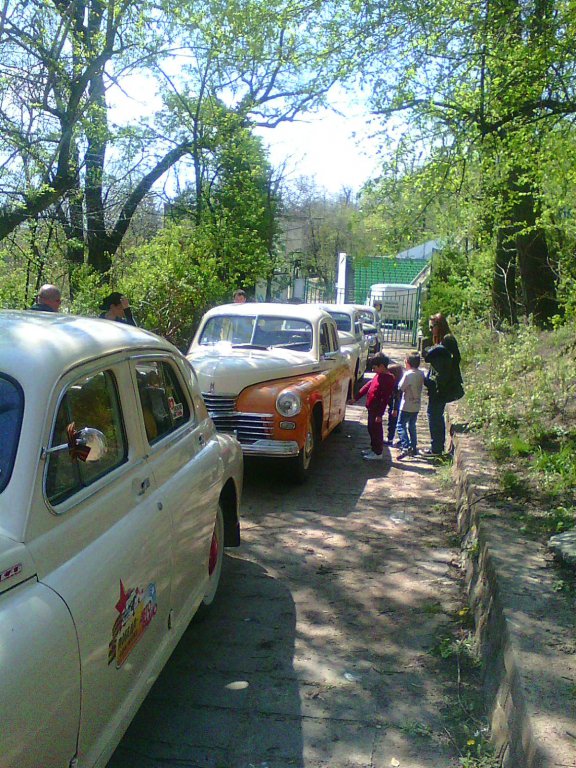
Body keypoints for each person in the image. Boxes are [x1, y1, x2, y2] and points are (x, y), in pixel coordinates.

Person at [423, 313, 464, 456]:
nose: (431, 330)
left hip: (442, 385)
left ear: (439, 325)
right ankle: (437, 446)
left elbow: (451, 362)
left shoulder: (447, 340)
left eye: (432, 327)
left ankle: (436, 448)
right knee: (434, 414)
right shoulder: (444, 340)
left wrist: (440, 381)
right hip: (440, 384)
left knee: (434, 414)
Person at [349, 353, 396, 461]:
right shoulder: (378, 375)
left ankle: (378, 452)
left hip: (376, 409)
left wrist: (380, 414)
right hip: (371, 408)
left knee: (376, 431)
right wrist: (356, 398)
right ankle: (373, 449)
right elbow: (368, 386)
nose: (373, 370)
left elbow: (384, 399)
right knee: (371, 429)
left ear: (382, 366)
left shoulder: (388, 379)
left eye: (374, 368)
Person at [396, 352, 426, 459]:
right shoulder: (421, 374)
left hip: (406, 405)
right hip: (416, 405)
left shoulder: (408, 374)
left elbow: (400, 387)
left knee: (400, 425)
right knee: (412, 426)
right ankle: (413, 447)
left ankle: (405, 446)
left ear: (408, 363)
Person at [386, 363, 403, 445]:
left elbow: (396, 398)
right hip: (396, 407)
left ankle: (390, 439)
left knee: (392, 424)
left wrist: (394, 409)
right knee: (397, 424)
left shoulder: (396, 386)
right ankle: (401, 439)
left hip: (394, 408)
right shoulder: (399, 384)